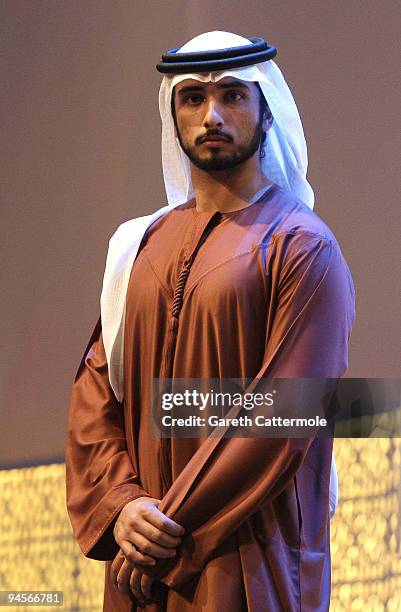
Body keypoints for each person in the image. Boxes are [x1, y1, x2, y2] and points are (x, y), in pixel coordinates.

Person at [66, 31, 355, 611]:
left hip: (245, 558)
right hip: (141, 561)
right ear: (173, 115)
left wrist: (165, 529)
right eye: (192, 98)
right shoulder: (137, 247)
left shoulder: (302, 248)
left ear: (265, 110)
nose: (211, 115)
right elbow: (97, 395)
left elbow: (284, 414)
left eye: (232, 95)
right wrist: (123, 507)